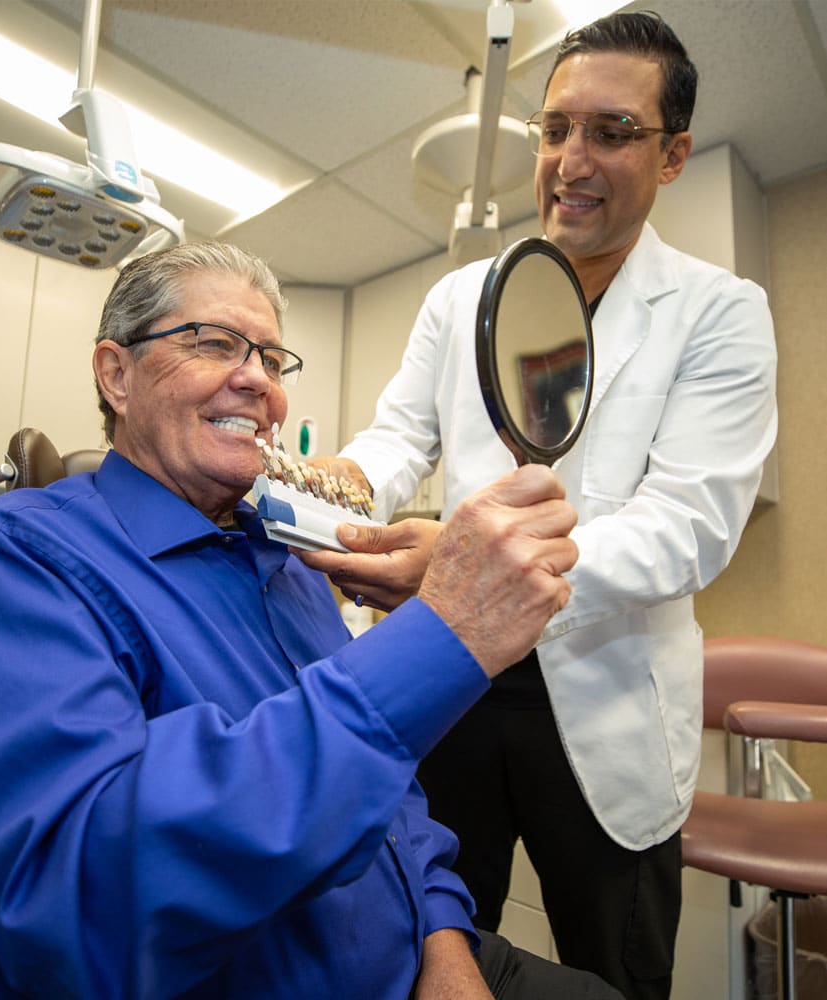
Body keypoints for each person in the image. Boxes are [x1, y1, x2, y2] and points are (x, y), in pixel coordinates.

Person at [0, 242, 625, 1000]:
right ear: (116, 374)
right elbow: (81, 908)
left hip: (416, 951)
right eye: (212, 343)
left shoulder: (292, 567)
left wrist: (444, 949)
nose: (257, 380)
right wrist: (440, 636)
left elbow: (393, 803)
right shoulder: (17, 561)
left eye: (273, 360)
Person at [297, 12, 778, 1000]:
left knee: (615, 970)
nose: (570, 159)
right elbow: (397, 438)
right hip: (458, 676)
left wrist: (491, 562)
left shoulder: (717, 312)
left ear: (674, 153)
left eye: (610, 131)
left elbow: (686, 525)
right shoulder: (463, 295)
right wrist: (342, 482)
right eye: (555, 129)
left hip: (604, 704)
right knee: (438, 943)